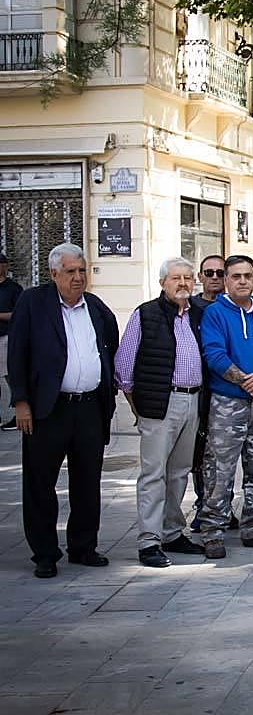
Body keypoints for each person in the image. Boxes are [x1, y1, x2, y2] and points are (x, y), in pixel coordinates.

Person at [9, 243, 118, 578]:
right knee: (40, 482)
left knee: (88, 480)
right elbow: (17, 353)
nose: (77, 277)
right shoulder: (33, 303)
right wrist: (21, 402)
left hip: (88, 408)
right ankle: (44, 552)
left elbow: (109, 344)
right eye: (70, 271)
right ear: (53, 273)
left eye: (82, 270)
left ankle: (83, 546)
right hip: (48, 409)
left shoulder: (95, 306)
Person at [115, 257, 208, 568]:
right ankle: (149, 541)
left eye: (187, 278)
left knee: (180, 471)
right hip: (160, 402)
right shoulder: (146, 314)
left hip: (192, 401)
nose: (183, 284)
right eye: (175, 279)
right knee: (153, 474)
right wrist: (136, 405)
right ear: (162, 283)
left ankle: (172, 532)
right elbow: (124, 366)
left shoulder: (199, 313)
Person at [197, 255, 253, 559]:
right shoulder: (215, 313)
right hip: (227, 404)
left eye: (248, 275)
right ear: (225, 280)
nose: (243, 281)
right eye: (236, 276)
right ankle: (212, 532)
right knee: (219, 471)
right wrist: (247, 383)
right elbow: (215, 355)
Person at [189, 254, 225, 524]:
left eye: (219, 273)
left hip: (226, 391)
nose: (214, 278)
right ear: (200, 277)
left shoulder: (235, 307)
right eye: (208, 273)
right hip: (197, 391)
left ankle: (224, 508)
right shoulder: (189, 308)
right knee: (199, 453)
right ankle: (203, 506)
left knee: (225, 454)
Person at [0, 251, 25, 430]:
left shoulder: (13, 289)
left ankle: (19, 414)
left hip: (6, 337)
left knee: (11, 376)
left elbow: (18, 314)